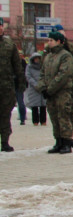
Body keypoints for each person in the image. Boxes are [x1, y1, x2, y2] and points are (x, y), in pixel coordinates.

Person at [39, 31, 73, 154]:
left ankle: (66, 142)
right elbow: (42, 74)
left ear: (59, 41)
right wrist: (42, 88)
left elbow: (63, 75)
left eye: (51, 40)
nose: (49, 42)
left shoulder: (66, 56)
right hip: (51, 93)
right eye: (48, 40)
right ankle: (58, 141)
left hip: (62, 92)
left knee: (63, 116)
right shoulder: (48, 57)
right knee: (54, 117)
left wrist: (50, 89)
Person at [0, 21, 27, 152]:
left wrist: (21, 83)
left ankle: (4, 142)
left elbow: (17, 66)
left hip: (6, 87)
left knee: (5, 115)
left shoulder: (10, 45)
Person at [25, 52, 46, 126]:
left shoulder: (43, 66)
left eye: (38, 58)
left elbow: (46, 75)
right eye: (35, 58)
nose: (37, 60)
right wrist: (35, 84)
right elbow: (28, 76)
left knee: (43, 105)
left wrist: (42, 84)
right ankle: (35, 121)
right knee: (34, 106)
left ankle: (43, 121)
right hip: (33, 89)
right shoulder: (29, 67)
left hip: (42, 87)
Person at [15, 55, 26, 126]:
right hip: (13, 85)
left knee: (20, 103)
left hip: (18, 86)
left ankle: (22, 119)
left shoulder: (22, 62)